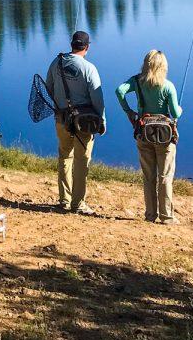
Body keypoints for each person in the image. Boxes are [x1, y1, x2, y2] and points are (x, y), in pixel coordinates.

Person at [116, 50, 183, 224]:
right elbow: (175, 112)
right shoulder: (168, 86)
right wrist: (180, 111)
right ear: (163, 67)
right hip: (164, 137)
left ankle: (150, 215)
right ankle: (167, 216)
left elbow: (119, 91)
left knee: (148, 176)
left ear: (146, 64)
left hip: (144, 133)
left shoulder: (137, 81)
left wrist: (129, 111)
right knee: (165, 176)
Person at [45, 30, 106, 214]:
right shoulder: (89, 68)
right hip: (84, 123)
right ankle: (78, 204)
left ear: (72, 44)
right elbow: (98, 99)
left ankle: (65, 200)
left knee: (65, 157)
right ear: (87, 47)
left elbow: (48, 89)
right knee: (81, 160)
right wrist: (102, 121)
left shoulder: (57, 62)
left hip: (61, 119)